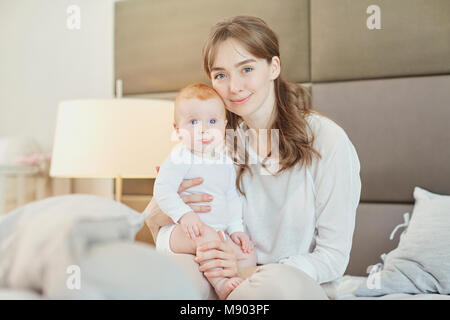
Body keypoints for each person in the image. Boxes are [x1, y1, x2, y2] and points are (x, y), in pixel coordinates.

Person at [145, 16, 361, 300]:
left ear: (274, 67)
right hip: (228, 276)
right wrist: (157, 217)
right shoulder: (215, 145)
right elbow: (169, 235)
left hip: (292, 285)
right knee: (168, 279)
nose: (234, 87)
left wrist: (248, 274)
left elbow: (333, 257)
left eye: (246, 69)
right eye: (220, 75)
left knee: (270, 289)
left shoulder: (327, 141)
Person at [153, 83, 257, 300]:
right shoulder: (180, 157)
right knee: (206, 235)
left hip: (216, 230)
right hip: (179, 233)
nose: (204, 129)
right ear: (177, 129)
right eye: (193, 122)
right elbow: (163, 190)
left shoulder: (225, 161)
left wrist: (236, 229)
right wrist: (184, 214)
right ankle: (220, 285)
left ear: (224, 125)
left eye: (212, 121)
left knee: (247, 252)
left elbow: (231, 196)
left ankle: (246, 287)